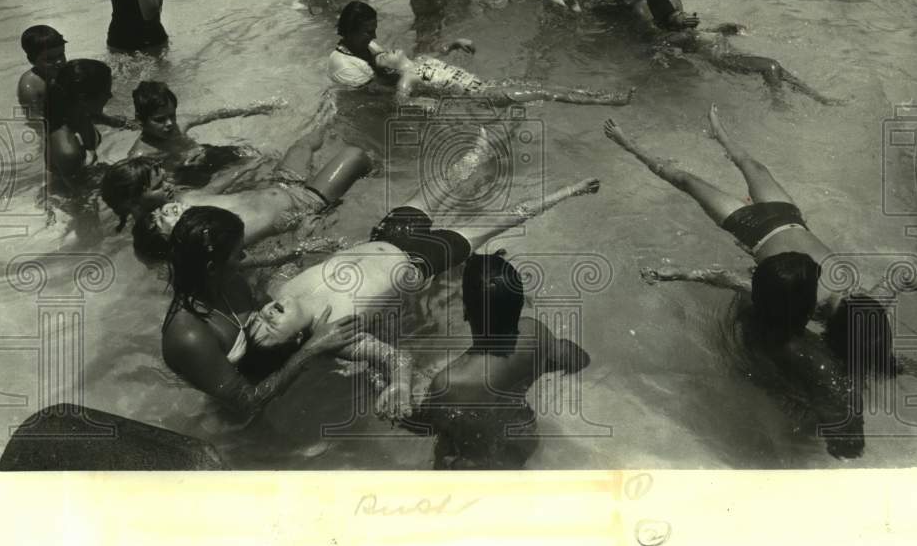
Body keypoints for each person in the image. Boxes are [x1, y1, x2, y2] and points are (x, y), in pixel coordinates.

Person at [604, 108, 917, 455]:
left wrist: (679, 272)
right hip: (788, 216)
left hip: (751, 226)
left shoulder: (808, 300)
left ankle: (630, 144)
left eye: (847, 299)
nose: (849, 293)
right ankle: (719, 133)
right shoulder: (856, 306)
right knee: (750, 166)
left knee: (688, 180)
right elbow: (901, 276)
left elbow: (732, 279)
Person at [242, 125, 603, 419]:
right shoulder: (337, 337)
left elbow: (283, 257)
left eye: (258, 319)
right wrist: (398, 384)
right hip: (422, 261)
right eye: (270, 329)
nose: (266, 315)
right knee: (502, 220)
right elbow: (397, 357)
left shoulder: (279, 288)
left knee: (449, 179)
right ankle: (570, 191)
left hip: (389, 234)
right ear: (295, 342)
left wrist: (302, 237)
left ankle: (491, 141)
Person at [161, 206, 365, 418]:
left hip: (276, 369)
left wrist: (298, 242)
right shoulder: (189, 336)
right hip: (242, 417)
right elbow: (247, 403)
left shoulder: (224, 280)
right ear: (212, 268)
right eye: (238, 253)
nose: (245, 257)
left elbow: (266, 289)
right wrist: (312, 349)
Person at [405, 250, 590, 469]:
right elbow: (574, 360)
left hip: (475, 459)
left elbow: (424, 425)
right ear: (521, 304)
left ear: (465, 311)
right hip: (522, 435)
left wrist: (386, 377)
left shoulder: (452, 382)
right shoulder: (536, 332)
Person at [103, 125, 371, 255]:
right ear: (133, 202)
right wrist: (297, 245)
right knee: (355, 155)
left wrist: (248, 166)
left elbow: (213, 188)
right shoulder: (175, 235)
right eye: (159, 186)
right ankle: (379, 168)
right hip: (305, 204)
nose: (169, 186)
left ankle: (340, 117)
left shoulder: (177, 201)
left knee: (306, 142)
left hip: (278, 184)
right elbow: (224, 265)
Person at [328, 2, 632, 108]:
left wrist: (454, 43)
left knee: (542, 86)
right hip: (483, 96)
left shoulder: (411, 62)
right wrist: (422, 103)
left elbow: (433, 52)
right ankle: (605, 99)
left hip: (485, 86)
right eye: (369, 33)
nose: (379, 44)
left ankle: (598, 95)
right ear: (351, 31)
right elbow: (398, 99)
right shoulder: (404, 73)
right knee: (546, 92)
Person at [641, 0, 840, 104]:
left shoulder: (682, 29)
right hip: (723, 58)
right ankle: (780, 105)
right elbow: (664, 44)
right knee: (771, 66)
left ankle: (818, 98)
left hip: (722, 49)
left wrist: (723, 28)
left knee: (779, 70)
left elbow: (695, 33)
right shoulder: (678, 36)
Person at [126, 80, 282, 182]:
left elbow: (216, 114)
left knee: (256, 155)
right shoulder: (141, 155)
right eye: (160, 119)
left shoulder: (180, 122)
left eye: (172, 115)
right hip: (188, 174)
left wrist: (254, 109)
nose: (170, 123)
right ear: (141, 120)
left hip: (207, 154)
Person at [45, 59, 116, 187]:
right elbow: (80, 198)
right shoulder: (68, 151)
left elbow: (111, 121)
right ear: (83, 99)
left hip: (92, 177)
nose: (111, 96)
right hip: (66, 198)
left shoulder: (81, 113)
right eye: (106, 91)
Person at [16, 25, 68, 123]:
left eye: (61, 54)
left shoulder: (65, 70)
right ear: (31, 60)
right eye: (49, 59)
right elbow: (34, 119)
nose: (59, 62)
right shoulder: (30, 87)